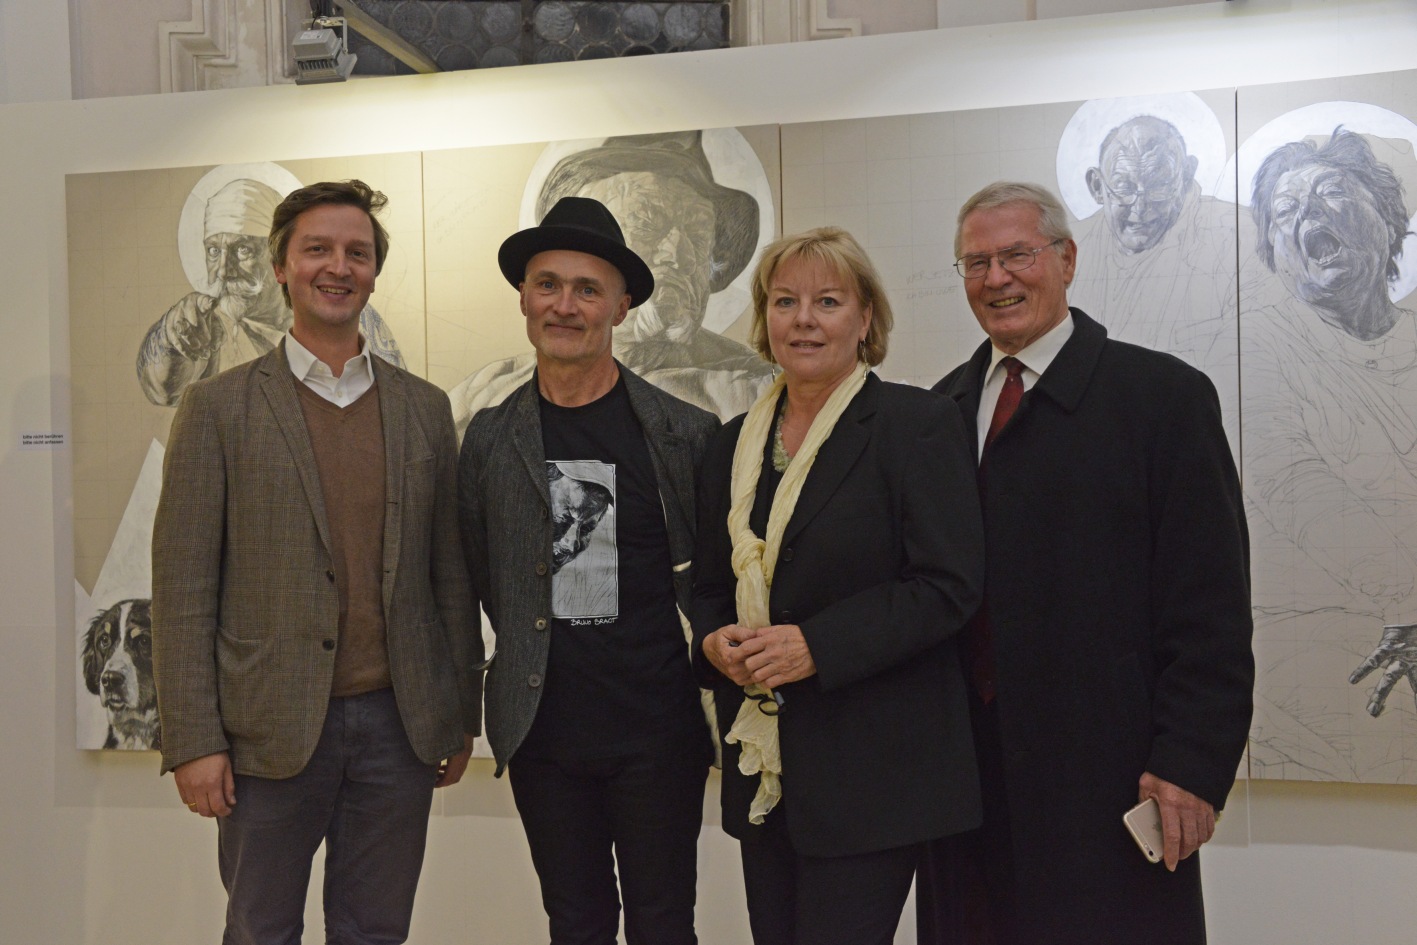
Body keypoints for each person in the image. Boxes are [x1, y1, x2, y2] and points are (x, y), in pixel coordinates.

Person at [919, 182, 1253, 945]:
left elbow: (1209, 607)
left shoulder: (1162, 399)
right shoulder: (936, 414)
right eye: (975, 262)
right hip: (963, 791)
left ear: (1066, 260)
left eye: (1017, 255)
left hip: (1111, 781)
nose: (996, 278)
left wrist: (1191, 760)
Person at [151, 180, 480, 945]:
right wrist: (194, 739)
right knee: (260, 929)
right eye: (318, 249)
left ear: (373, 272)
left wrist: (459, 713)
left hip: (398, 728)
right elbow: (183, 589)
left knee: (376, 930)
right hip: (266, 732)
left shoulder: (424, 408)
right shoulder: (216, 408)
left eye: (356, 253)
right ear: (282, 267)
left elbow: (449, 576)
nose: (338, 266)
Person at [691, 227, 986, 945]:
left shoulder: (917, 424)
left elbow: (947, 586)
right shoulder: (729, 445)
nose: (804, 320)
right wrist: (714, 641)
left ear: (865, 317)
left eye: (827, 301)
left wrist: (816, 646)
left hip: (875, 773)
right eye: (784, 301)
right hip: (765, 767)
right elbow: (707, 584)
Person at [457, 196, 720, 945]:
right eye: (548, 284)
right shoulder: (489, 438)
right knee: (574, 923)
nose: (564, 305)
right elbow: (477, 574)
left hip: (657, 733)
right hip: (543, 735)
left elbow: (712, 580)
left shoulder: (685, 433)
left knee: (664, 924)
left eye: (586, 289)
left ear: (620, 306)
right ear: (523, 297)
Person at [449, 131, 773, 428]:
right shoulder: (484, 397)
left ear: (621, 305)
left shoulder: (755, 391)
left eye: (697, 235)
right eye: (647, 224)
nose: (678, 254)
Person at [137, 174, 403, 406]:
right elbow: (162, 387)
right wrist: (170, 339)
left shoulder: (416, 398)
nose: (224, 270)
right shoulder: (202, 328)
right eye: (214, 251)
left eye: (243, 249)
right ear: (280, 267)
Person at [1067, 114, 1238, 360]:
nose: (1140, 207)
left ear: (1186, 176)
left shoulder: (1230, 238)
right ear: (1097, 186)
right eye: (1124, 187)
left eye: (1159, 185)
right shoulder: (1067, 250)